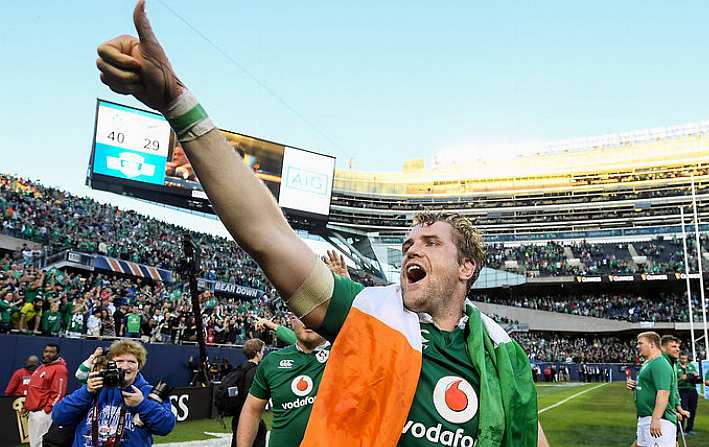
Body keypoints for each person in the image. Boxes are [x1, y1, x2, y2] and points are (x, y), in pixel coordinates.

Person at [96, 4, 546, 446]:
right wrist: (178, 103)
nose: (413, 249)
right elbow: (267, 235)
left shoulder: (502, 356)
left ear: (467, 267)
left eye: (431, 242)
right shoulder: (370, 312)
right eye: (409, 242)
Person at [52, 339, 176, 447]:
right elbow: (59, 416)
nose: (125, 366)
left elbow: (165, 427)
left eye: (131, 362)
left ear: (139, 366)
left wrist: (142, 404)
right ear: (110, 364)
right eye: (120, 361)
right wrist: (87, 392)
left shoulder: (148, 392)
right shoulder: (96, 386)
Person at [237, 318, 328, 447]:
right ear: (291, 319)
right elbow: (251, 410)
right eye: (300, 315)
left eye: (311, 314)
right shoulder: (272, 362)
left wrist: (274, 326)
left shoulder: (343, 352)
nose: (307, 321)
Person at [628, 332, 677, 447]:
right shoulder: (648, 363)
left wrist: (656, 419)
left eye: (640, 343)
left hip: (659, 420)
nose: (637, 346)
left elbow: (663, 393)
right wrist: (636, 385)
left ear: (651, 344)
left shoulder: (659, 363)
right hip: (645, 417)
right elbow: (651, 386)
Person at [24, 343, 69, 447]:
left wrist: (46, 411)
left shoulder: (60, 369)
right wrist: (27, 405)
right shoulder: (41, 367)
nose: (47, 354)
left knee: (40, 443)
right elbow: (33, 389)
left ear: (57, 354)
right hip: (33, 411)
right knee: (33, 442)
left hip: (43, 413)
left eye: (51, 352)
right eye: (46, 351)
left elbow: (58, 393)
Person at [230, 339, 267, 447]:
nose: (263, 354)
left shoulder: (240, 368)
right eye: (262, 351)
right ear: (257, 353)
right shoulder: (256, 371)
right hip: (248, 417)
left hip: (237, 417)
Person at [659, 336, 690, 424]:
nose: (677, 350)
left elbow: (674, 389)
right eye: (673, 346)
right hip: (660, 416)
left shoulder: (673, 365)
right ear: (662, 348)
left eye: (678, 347)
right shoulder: (660, 364)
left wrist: (679, 409)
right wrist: (672, 412)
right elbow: (661, 393)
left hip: (668, 415)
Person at [675, 352, 699, 435]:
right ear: (679, 358)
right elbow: (673, 381)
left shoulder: (691, 366)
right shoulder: (675, 366)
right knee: (682, 409)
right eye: (682, 358)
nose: (684, 360)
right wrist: (681, 378)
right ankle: (680, 429)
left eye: (685, 358)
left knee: (693, 409)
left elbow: (696, 376)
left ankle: (689, 429)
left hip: (692, 389)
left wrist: (695, 376)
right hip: (681, 390)